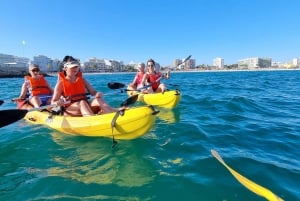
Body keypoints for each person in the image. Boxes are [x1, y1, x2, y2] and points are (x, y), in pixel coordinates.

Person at [51, 59, 116, 116]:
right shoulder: (60, 84)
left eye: (76, 67)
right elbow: (53, 101)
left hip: (85, 105)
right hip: (70, 110)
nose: (75, 69)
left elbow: (93, 92)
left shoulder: (82, 80)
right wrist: (57, 103)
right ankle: (92, 121)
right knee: (82, 102)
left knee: (98, 100)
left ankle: (113, 115)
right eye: (72, 67)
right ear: (65, 69)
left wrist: (97, 94)